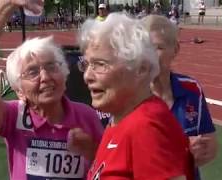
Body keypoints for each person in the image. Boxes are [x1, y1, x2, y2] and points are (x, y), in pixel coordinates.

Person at [0, 0, 104, 179]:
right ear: (19, 90)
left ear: (64, 75)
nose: (45, 77)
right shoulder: (14, 116)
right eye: (32, 72)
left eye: (51, 67)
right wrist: (1, 14)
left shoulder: (87, 116)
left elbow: (108, 166)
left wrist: (92, 151)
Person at [77, 12, 195, 180]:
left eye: (100, 64)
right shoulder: (121, 118)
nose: (87, 76)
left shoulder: (146, 127)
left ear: (141, 69)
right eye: (87, 64)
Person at [142, 14, 217, 180]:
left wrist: (198, 152)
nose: (150, 56)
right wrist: (182, 150)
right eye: (144, 48)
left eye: (158, 48)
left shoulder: (191, 89)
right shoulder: (129, 95)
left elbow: (211, 148)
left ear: (175, 50)